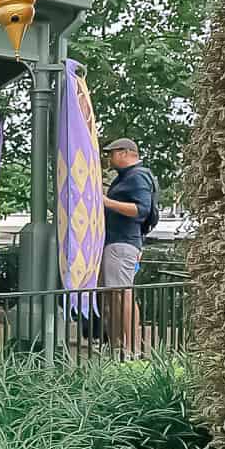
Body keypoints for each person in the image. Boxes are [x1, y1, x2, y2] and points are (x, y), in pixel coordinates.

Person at [99, 137, 156, 352]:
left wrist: (106, 202)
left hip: (123, 243)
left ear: (125, 153)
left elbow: (141, 210)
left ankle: (130, 348)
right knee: (116, 294)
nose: (110, 159)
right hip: (119, 242)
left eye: (111, 154)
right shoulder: (128, 177)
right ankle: (118, 345)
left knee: (123, 293)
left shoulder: (137, 176)